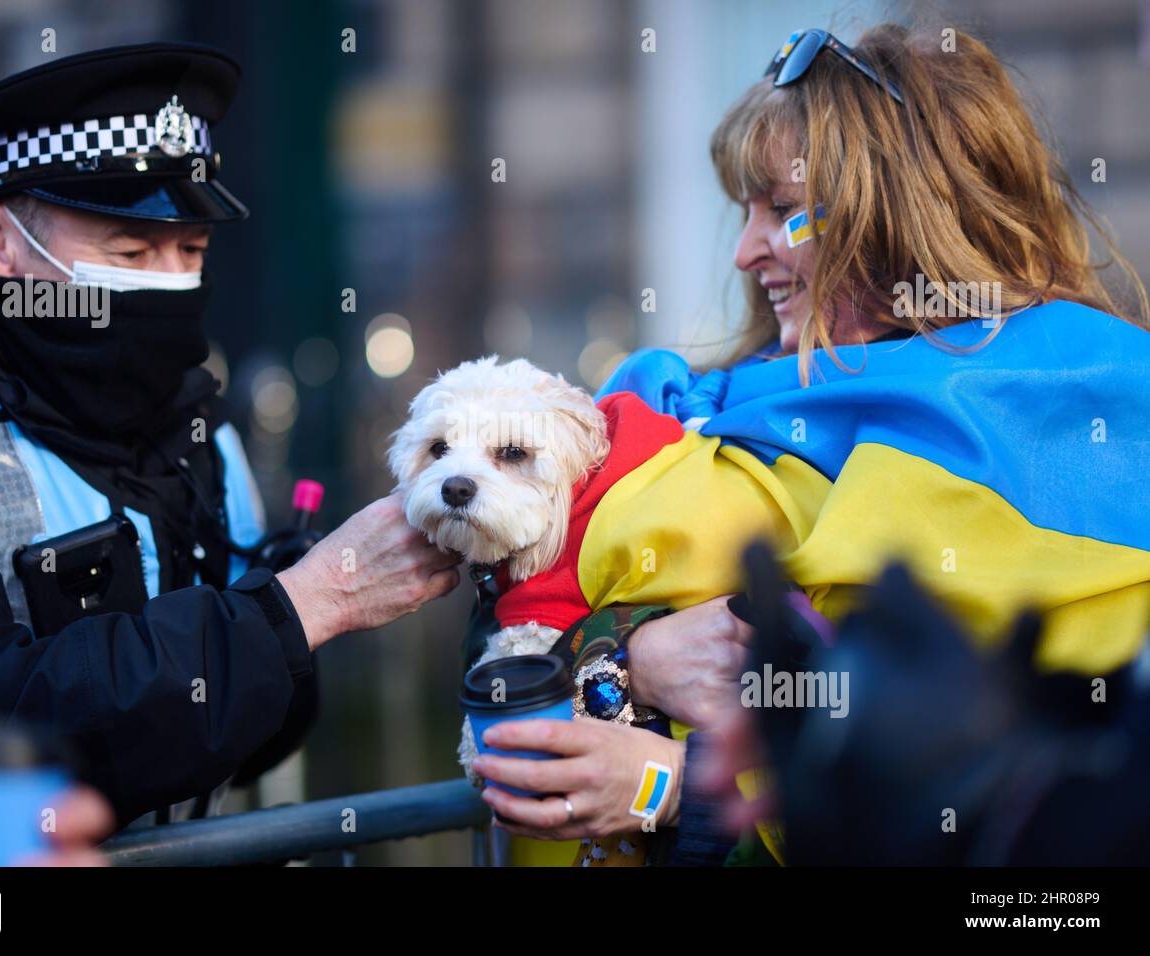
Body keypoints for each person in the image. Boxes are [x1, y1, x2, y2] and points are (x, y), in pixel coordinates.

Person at [470, 23, 1150, 864]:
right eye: (744, 213)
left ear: (904, 213)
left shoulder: (1091, 411)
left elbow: (1012, 813)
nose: (749, 249)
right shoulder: (712, 410)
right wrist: (628, 661)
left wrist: (672, 786)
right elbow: (510, 658)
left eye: (784, 211)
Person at [0, 43, 459, 827]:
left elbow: (255, 731)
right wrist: (301, 605)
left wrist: (286, 616)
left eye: (192, 251)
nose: (168, 278)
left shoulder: (192, 411)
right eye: (131, 251)